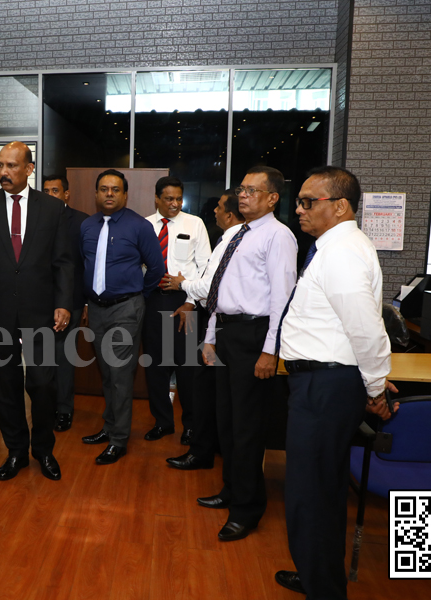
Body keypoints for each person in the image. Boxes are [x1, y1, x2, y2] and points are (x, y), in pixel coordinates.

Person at [275, 166, 396, 599]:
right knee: (320, 492)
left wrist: (376, 387)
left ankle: (323, 589)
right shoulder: (333, 247)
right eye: (300, 201)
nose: (300, 209)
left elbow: (365, 328)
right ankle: (317, 577)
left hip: (325, 387)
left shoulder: (342, 251)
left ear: (340, 206)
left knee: (312, 494)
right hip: (323, 384)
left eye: (310, 202)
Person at [0, 141, 73, 481]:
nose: (4, 172)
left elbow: (64, 262)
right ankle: (16, 451)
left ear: (29, 169)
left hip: (41, 313)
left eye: (11, 166)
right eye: (1, 165)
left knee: (42, 383)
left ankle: (44, 449)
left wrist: (63, 302)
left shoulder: (52, 208)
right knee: (5, 385)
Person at [198, 166, 297, 542]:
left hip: (255, 336)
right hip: (226, 332)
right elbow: (222, 291)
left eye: (253, 191)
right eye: (241, 189)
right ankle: (231, 490)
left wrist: (270, 350)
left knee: (247, 428)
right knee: (226, 421)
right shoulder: (239, 234)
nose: (243, 196)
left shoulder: (278, 236)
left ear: (272, 198)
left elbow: (282, 299)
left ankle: (248, 508)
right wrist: (209, 336)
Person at [80, 169, 165, 465]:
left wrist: (138, 294)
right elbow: (84, 266)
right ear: (96, 193)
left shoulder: (139, 226)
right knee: (107, 373)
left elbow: (156, 268)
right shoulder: (87, 226)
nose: (109, 194)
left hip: (127, 308)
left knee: (121, 375)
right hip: (97, 308)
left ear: (125, 194)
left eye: (115, 189)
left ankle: (119, 440)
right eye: (103, 189)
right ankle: (109, 426)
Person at [164, 188, 244, 470]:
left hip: (232, 328)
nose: (214, 210)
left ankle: (203, 450)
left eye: (219, 206)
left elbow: (209, 286)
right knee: (210, 391)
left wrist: (182, 284)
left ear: (230, 214)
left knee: (203, 388)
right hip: (218, 324)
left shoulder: (231, 240)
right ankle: (204, 449)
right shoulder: (230, 239)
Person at [142, 176, 211, 446]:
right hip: (152, 301)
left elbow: (205, 267)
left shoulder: (195, 224)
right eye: (168, 198)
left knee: (187, 369)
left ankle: (191, 426)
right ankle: (162, 422)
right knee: (155, 367)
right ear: (157, 198)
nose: (174, 203)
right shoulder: (145, 225)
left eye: (178, 199)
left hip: (186, 302)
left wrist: (191, 301)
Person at [42, 173, 88, 432]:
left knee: (63, 358)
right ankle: (45, 407)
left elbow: (81, 268)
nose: (50, 196)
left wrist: (82, 304)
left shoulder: (81, 222)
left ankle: (64, 410)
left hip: (68, 302)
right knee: (43, 359)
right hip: (39, 302)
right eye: (46, 191)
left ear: (66, 194)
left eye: (55, 191)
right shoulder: (34, 219)